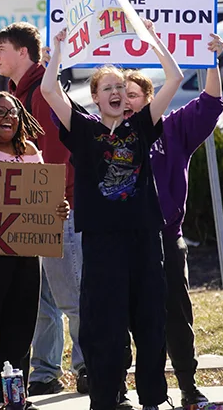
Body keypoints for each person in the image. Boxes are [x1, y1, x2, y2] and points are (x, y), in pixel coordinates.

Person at [40, 21, 184, 410]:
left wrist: (154, 41)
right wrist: (58, 51)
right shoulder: (82, 128)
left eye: (121, 87)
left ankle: (153, 398)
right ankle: (106, 399)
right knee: (104, 324)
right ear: (96, 98)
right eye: (109, 88)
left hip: (143, 237)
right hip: (102, 241)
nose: (118, 92)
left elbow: (174, 78)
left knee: (151, 321)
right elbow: (49, 90)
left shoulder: (142, 125)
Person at [117, 33, 223, 407]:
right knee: (120, 316)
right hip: (119, 241)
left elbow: (210, 103)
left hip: (165, 238)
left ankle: (187, 384)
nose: (125, 100)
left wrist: (210, 60)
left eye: (134, 94)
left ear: (151, 99)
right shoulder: (105, 133)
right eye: (120, 94)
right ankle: (119, 388)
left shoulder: (173, 127)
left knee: (176, 315)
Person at [0, 91, 70, 404]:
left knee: (19, 333)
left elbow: (43, 200)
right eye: (0, 112)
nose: (9, 117)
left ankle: (13, 398)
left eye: (14, 112)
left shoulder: (30, 150)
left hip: (25, 257)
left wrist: (57, 209)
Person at [0, 21, 85, 394]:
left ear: (22, 53)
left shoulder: (42, 94)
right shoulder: (17, 93)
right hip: (35, 209)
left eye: (1, 48)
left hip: (58, 208)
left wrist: (51, 203)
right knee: (41, 299)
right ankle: (45, 371)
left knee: (72, 295)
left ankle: (87, 367)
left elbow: (58, 154)